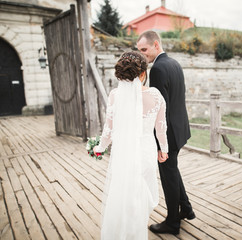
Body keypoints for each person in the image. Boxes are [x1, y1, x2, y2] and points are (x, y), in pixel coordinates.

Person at [93, 51, 169, 239]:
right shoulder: (156, 95)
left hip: (123, 154)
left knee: (123, 193)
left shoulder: (114, 96)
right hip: (146, 152)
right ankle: (136, 231)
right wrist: (164, 150)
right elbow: (161, 129)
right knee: (141, 195)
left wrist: (99, 148)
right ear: (143, 74)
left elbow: (108, 130)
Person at [137, 30, 195, 235]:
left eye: (144, 49)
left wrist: (160, 143)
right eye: (139, 51)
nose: (142, 54)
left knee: (168, 176)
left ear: (156, 45)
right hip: (180, 128)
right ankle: (186, 208)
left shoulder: (159, 69)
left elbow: (161, 109)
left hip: (168, 133)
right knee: (173, 170)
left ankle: (172, 222)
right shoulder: (174, 64)